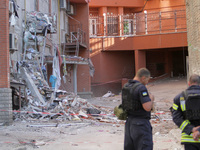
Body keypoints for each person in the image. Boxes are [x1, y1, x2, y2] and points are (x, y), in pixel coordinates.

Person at [123, 68, 154, 150]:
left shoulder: (126, 86)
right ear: (143, 77)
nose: (147, 82)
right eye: (147, 79)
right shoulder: (141, 88)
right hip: (141, 124)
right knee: (144, 146)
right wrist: (151, 98)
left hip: (129, 123)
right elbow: (147, 107)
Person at [171, 74, 200, 150]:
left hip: (189, 139)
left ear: (189, 83)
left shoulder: (179, 98)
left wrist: (192, 129)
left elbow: (176, 118)